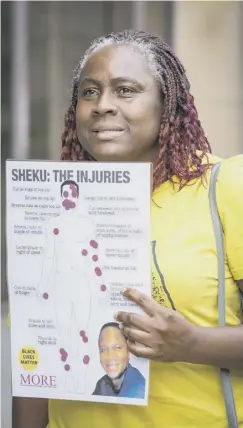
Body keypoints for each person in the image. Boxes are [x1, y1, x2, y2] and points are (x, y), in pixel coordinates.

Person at [12, 29, 243, 428]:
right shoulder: (51, 205)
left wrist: (193, 343)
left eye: (126, 90)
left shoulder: (223, 186)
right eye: (89, 92)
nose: (103, 106)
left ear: (167, 104)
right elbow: (36, 358)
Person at [92, 322, 145, 398]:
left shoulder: (140, 389)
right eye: (103, 350)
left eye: (117, 348)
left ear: (129, 351)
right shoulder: (101, 385)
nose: (110, 357)